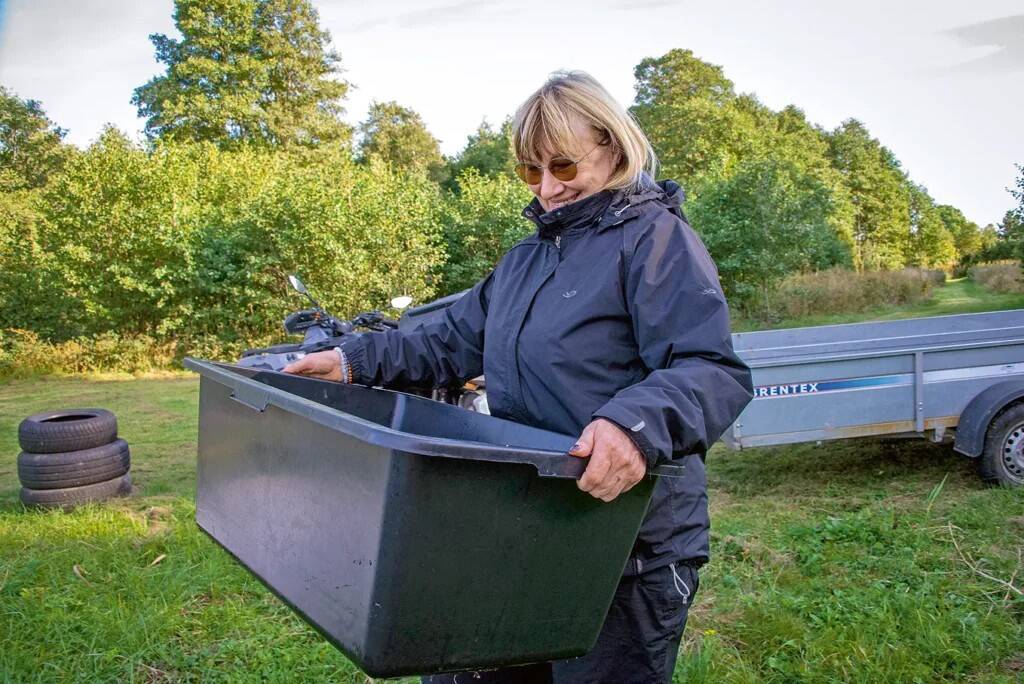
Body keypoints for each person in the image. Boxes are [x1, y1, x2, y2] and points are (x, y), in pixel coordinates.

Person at [283, 70, 753, 684]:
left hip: (625, 540)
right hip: (523, 524)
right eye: (531, 171)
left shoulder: (657, 242)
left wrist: (631, 426)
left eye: (562, 165)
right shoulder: (527, 257)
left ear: (612, 146)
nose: (549, 188)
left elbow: (710, 368)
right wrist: (353, 359)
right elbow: (451, 340)